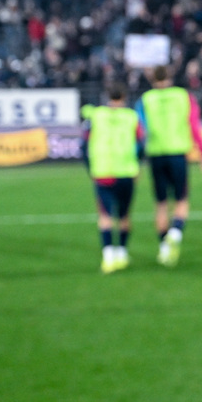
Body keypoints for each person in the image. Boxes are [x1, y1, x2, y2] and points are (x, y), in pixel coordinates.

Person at [137, 64, 202, 267]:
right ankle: (176, 234)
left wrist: (138, 158)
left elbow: (140, 130)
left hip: (156, 154)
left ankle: (164, 248)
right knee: (181, 200)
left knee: (161, 205)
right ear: (169, 76)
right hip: (178, 153)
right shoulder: (183, 96)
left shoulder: (145, 100)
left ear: (152, 78)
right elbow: (194, 125)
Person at [82, 82, 145, 274]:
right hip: (126, 171)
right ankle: (122, 254)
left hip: (102, 172)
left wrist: (90, 169)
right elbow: (141, 144)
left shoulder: (95, 116)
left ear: (107, 96)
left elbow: (83, 145)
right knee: (124, 215)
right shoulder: (131, 117)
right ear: (124, 97)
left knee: (105, 216)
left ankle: (108, 257)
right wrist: (138, 166)